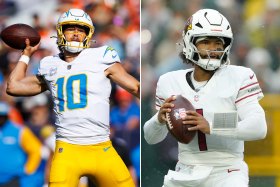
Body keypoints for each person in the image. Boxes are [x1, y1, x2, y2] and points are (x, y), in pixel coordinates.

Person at [6, 8, 139, 187]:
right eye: (71, 28)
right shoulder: (50, 65)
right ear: (61, 32)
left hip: (101, 148)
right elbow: (13, 86)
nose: (76, 34)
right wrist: (26, 55)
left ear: (88, 34)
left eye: (81, 29)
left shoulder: (101, 56)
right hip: (67, 151)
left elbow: (135, 86)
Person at [143, 9, 267, 187]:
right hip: (185, 172)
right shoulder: (169, 81)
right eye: (206, 42)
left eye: (218, 43)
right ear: (189, 43)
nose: (214, 49)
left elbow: (258, 126)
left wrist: (211, 124)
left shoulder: (240, 75)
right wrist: (159, 120)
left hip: (228, 171)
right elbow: (150, 137)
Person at [0, 101, 42, 187]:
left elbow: (36, 150)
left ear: (6, 116)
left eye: (2, 116)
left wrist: (27, 169)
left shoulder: (20, 131)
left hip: (12, 178)